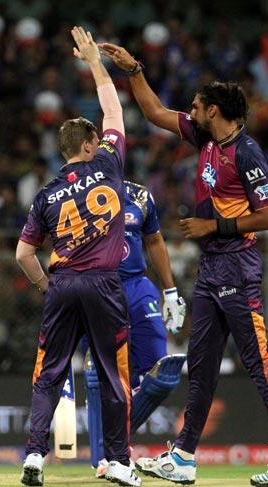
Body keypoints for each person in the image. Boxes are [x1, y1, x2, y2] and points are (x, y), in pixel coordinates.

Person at [101, 42, 268, 486]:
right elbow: (156, 113)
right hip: (213, 269)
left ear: (213, 110)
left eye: (196, 107)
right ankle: (182, 457)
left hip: (237, 264)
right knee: (201, 364)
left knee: (258, 359)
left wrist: (213, 226)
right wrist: (133, 70)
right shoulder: (207, 137)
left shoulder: (247, 152)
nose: (190, 112)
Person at [15, 27, 139, 487]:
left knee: (49, 372)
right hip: (105, 282)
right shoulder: (108, 164)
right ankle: (121, 463)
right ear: (89, 146)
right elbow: (113, 109)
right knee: (113, 373)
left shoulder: (46, 195)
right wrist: (93, 60)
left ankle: (33, 457)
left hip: (63, 283)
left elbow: (23, 254)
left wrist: (47, 284)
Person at [88, 180, 186, 477]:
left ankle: (111, 447)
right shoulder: (77, 191)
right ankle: (105, 457)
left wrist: (170, 292)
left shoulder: (139, 195)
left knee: (163, 374)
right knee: (99, 376)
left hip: (137, 286)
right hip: (97, 286)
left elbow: (154, 241)